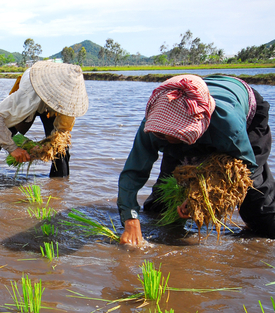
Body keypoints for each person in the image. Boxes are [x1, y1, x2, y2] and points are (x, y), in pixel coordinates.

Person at [117, 74, 274, 245]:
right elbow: (133, 173)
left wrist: (201, 197)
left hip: (244, 111)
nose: (167, 138)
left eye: (177, 134)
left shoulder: (228, 127)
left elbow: (246, 166)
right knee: (160, 206)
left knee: (259, 211)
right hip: (197, 102)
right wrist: (130, 219)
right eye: (163, 134)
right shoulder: (154, 125)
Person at [0, 61, 88, 176]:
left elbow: (62, 132)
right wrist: (13, 148)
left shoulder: (70, 101)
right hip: (34, 95)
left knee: (61, 149)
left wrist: (47, 147)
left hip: (51, 109)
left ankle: (59, 186)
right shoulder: (29, 93)